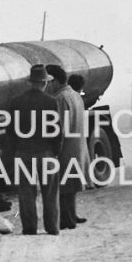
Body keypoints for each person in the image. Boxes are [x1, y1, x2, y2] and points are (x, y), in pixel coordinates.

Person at [7, 64, 61, 235]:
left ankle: (29, 228)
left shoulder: (16, 102)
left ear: (31, 82)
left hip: (23, 153)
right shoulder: (51, 102)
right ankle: (51, 227)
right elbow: (56, 130)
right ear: (45, 83)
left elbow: (10, 131)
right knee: (50, 192)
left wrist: (14, 150)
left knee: (26, 193)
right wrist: (56, 151)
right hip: (46, 153)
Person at [47, 65, 90, 229]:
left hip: (66, 148)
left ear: (56, 81)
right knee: (71, 186)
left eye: (50, 82)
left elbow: (60, 127)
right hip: (78, 146)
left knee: (63, 187)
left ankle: (67, 220)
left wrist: (55, 150)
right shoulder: (75, 95)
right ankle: (71, 216)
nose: (48, 86)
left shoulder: (60, 98)